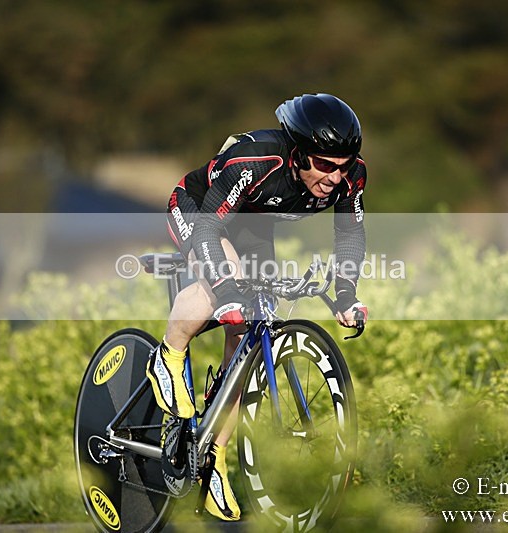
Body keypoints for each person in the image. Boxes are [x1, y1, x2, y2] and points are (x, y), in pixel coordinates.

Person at [147, 93, 368, 521]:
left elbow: (350, 235)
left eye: (342, 166)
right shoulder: (256, 160)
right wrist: (227, 288)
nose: (335, 177)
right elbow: (208, 230)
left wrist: (346, 294)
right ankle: (168, 355)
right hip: (199, 209)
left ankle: (213, 456)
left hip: (253, 222)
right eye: (324, 165)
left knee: (248, 336)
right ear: (298, 154)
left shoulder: (350, 175)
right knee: (223, 282)